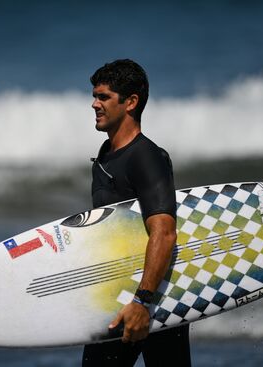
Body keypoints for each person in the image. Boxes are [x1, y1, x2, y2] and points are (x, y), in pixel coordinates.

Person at [82, 59, 192, 366]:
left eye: (103, 97)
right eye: (94, 96)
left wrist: (143, 302)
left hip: (149, 298)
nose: (94, 104)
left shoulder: (146, 157)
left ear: (131, 102)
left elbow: (165, 232)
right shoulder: (106, 155)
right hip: (119, 296)